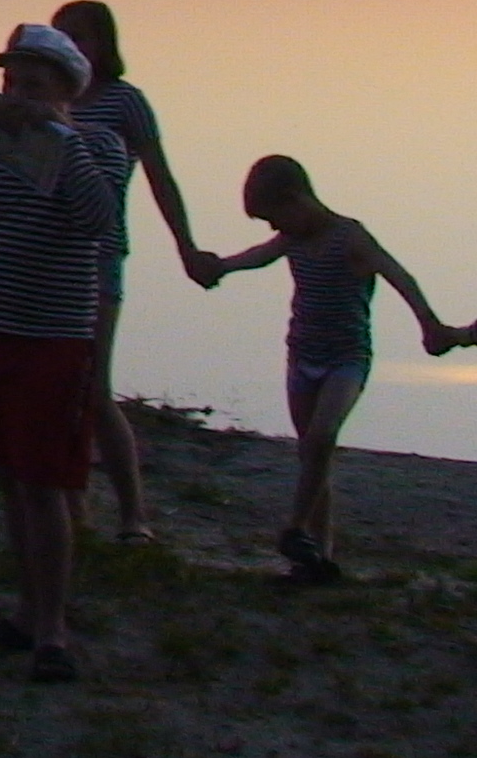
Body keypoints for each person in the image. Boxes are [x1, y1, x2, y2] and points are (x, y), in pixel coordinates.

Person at [0, 22, 128, 684]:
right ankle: (25, 611)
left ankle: (51, 632)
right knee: (8, 478)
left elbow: (100, 221)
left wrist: (58, 137)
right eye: (12, 82)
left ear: (68, 88)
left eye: (33, 84)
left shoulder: (96, 145)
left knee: (44, 484)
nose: (18, 94)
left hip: (54, 339)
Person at [191, 156, 454, 583]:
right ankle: (318, 557)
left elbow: (398, 276)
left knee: (322, 438)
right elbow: (259, 256)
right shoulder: (292, 238)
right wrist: (221, 266)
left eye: (274, 218)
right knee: (311, 455)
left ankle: (295, 528)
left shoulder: (349, 236)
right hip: (302, 358)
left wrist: (430, 324)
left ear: (295, 199)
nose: (274, 229)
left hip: (346, 361)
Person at [49, 0, 199, 546]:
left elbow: (160, 177)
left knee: (93, 387)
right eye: (61, 36)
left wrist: (186, 247)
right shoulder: (46, 99)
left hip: (99, 258)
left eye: (80, 37)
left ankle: (134, 513)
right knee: (53, 387)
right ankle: (72, 506)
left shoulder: (125, 101)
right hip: (42, 260)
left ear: (104, 44)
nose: (71, 47)